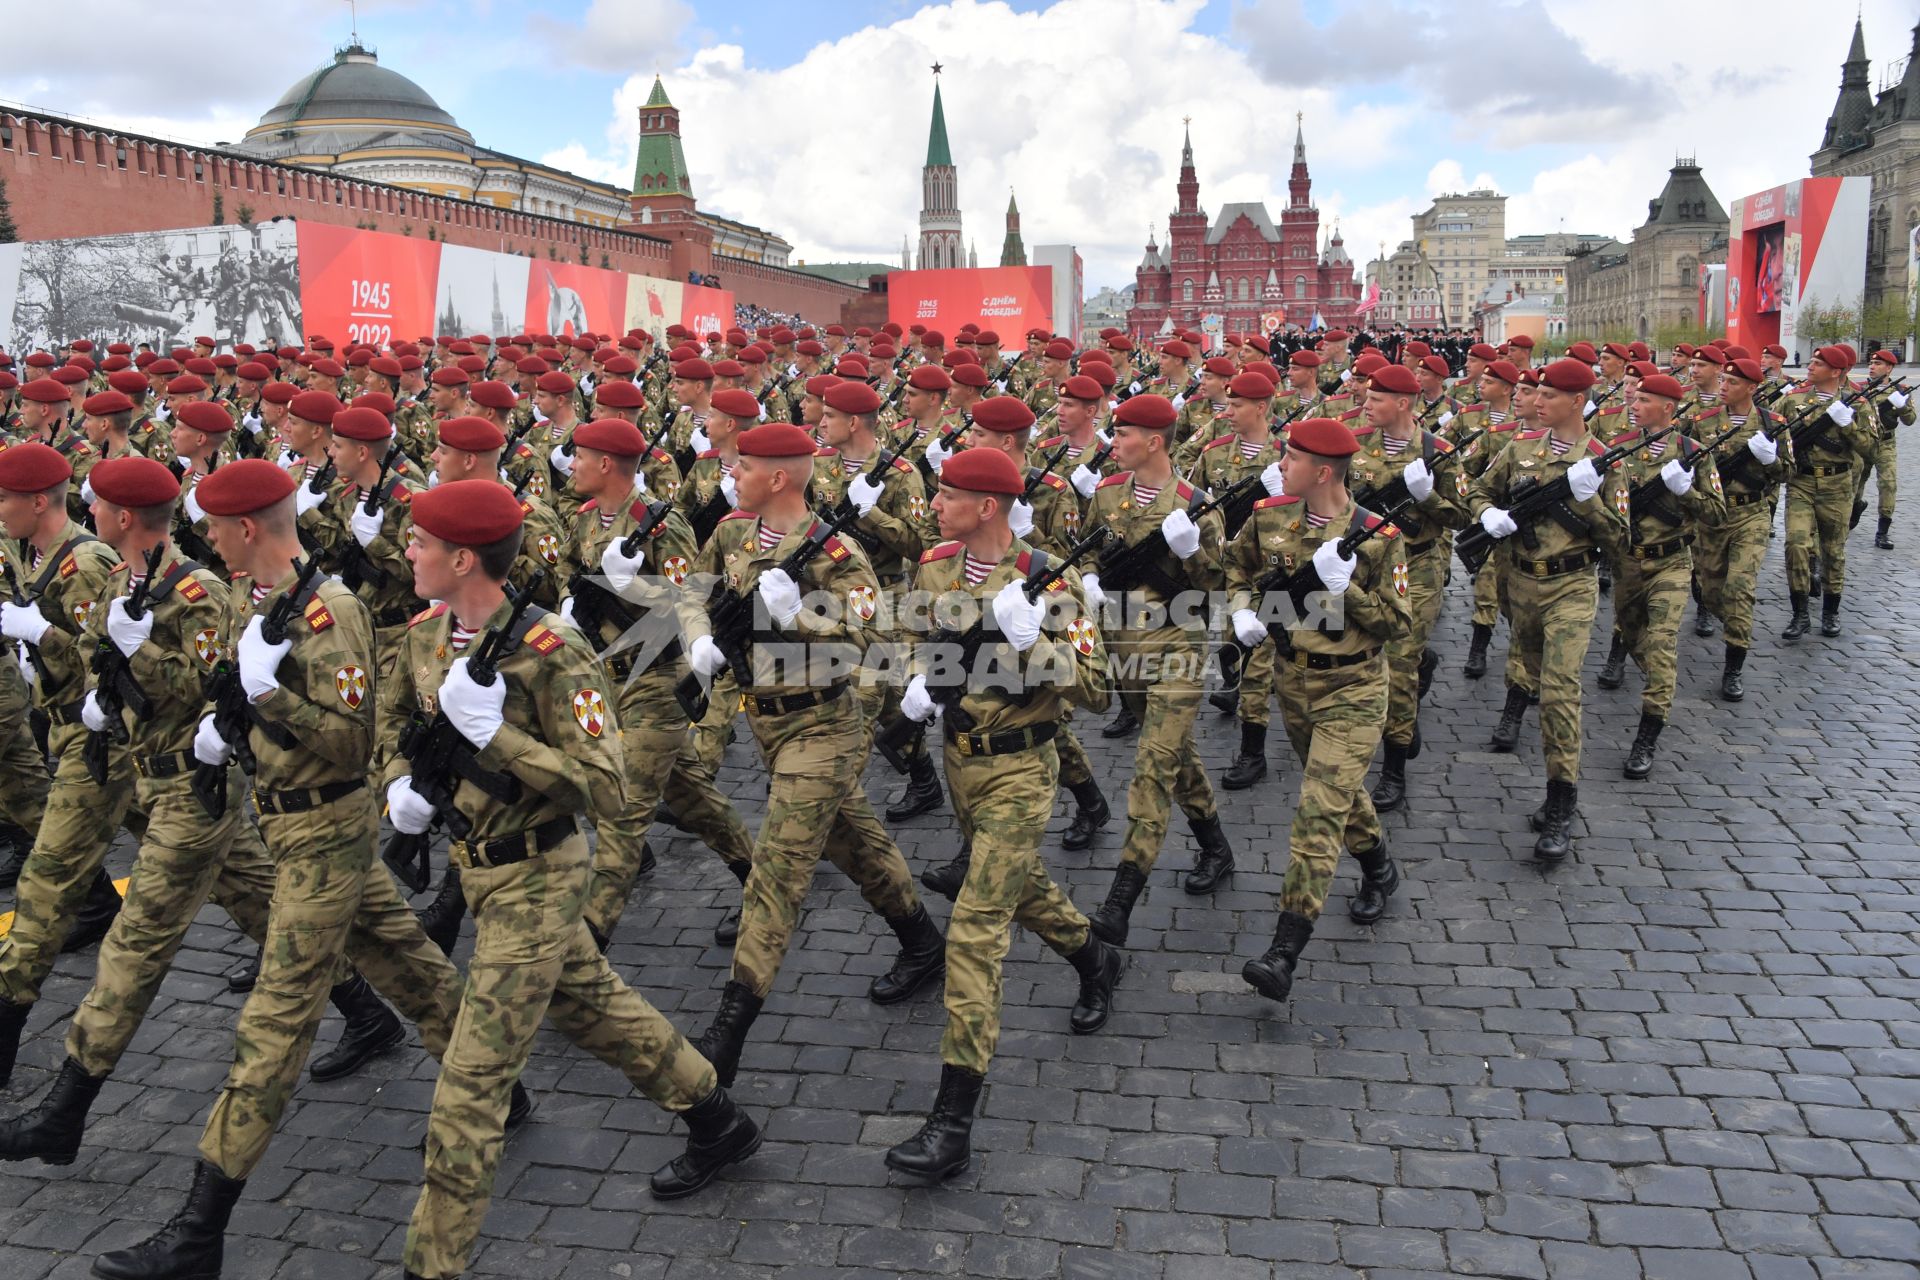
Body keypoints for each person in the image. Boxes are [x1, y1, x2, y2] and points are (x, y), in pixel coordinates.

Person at [95, 460, 472, 1280]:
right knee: (404, 959)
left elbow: (350, 741)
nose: (209, 538)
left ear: (249, 529)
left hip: (327, 831)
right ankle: (493, 1085)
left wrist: (268, 701)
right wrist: (222, 721)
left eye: (220, 527)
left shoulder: (326, 611)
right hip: (289, 829)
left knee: (271, 1026)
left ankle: (200, 1229)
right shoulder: (264, 604)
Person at [380, 479, 758, 1278]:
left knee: (470, 1088)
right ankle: (716, 1118)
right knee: (593, 1006)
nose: (405, 552)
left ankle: (430, 1263)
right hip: (475, 867)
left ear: (461, 558)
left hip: (541, 874)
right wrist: (398, 786)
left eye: (419, 542)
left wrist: (498, 740)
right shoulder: (421, 636)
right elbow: (394, 726)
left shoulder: (553, 650)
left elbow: (609, 789)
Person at [883, 446, 1122, 1182]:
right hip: (962, 765)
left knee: (977, 928)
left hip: (1022, 767)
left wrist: (1035, 640)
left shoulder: (1054, 580)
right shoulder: (935, 570)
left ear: (986, 507)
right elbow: (921, 642)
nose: (934, 503)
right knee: (1019, 888)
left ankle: (952, 1121)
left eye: (948, 495)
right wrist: (918, 685)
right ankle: (1094, 955)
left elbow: (1099, 690)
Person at [685, 423, 946, 1088]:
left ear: (777, 478)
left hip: (825, 726)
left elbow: (879, 645)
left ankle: (727, 1032)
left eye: (742, 465)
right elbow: (693, 589)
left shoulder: (835, 554)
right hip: (766, 723)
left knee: (777, 872)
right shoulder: (735, 533)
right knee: (852, 839)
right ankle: (922, 942)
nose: (731, 473)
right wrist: (699, 639)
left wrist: (801, 616)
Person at [1229, 417, 1410, 1002]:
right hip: (1293, 684)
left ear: (1323, 471)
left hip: (1354, 688)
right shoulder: (1270, 516)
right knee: (1339, 792)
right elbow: (1236, 567)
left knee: (1317, 811)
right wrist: (1243, 610)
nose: (1281, 465)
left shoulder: (1378, 536)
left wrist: (1346, 587)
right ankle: (1379, 863)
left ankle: (1285, 949)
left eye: (1292, 458)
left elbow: (1396, 624)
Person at [557, 417, 755, 948]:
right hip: (608, 679)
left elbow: (695, 603)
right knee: (693, 800)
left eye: (579, 456)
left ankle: (586, 944)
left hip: (659, 678)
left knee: (625, 808)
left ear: (605, 464)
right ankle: (763, 885)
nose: (570, 464)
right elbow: (572, 580)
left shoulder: (660, 525)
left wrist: (635, 586)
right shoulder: (584, 520)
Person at [1078, 395, 1233, 945]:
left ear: (1155, 442)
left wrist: (1192, 553)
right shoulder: (1108, 493)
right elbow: (1089, 551)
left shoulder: (1195, 504)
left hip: (1177, 643)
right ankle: (1215, 844)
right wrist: (1090, 579)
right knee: (1174, 752)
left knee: (1152, 766)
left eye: (1122, 435)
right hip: (1124, 644)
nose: (1112, 443)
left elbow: (1218, 585)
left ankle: (1123, 893)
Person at [1466, 359, 1626, 862]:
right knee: (1526, 674)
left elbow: (1621, 542)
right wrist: (1487, 514)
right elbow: (1476, 489)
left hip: (1571, 587)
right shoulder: (1519, 449)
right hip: (1520, 587)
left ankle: (1561, 802)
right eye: (1538, 393)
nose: (1538, 401)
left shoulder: (1604, 461)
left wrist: (1590, 503)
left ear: (1577, 402)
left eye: (1550, 395)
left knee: (1559, 693)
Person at [1594, 374, 1725, 778]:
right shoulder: (1616, 450)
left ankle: (1646, 736)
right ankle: (1657, 685)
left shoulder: (1693, 453)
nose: (1634, 404)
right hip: (1627, 563)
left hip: (1671, 563)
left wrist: (1685, 491)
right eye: (1636, 398)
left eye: (1645, 399)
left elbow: (1717, 514)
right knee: (1633, 638)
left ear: (1668, 407)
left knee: (1662, 644)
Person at [1695, 359, 1790, 701]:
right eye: (1723, 379)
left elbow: (1788, 472)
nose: (1723, 385)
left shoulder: (1772, 424)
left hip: (1751, 514)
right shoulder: (1702, 423)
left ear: (1752, 387)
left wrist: (1770, 460)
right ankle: (1733, 622)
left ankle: (1733, 666)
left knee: (1739, 588)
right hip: (1712, 519)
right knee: (1710, 592)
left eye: (1732, 382)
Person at [1779, 346, 1876, 639]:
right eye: (1811, 361)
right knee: (1796, 544)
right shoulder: (1792, 400)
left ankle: (1830, 612)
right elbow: (1771, 435)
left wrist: (1848, 425)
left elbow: (1871, 448)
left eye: (1818, 363)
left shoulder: (1857, 404)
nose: (1810, 366)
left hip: (1837, 486)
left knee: (1833, 551)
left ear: (1836, 371)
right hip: (1801, 483)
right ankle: (1800, 613)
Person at [1854, 349, 1911, 549]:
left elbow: (1910, 420)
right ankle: (1855, 507)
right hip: (1862, 443)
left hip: (1885, 443)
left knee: (1888, 484)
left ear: (1889, 368)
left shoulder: (1900, 390)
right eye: (1871, 362)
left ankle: (1882, 531)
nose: (1872, 366)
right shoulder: (1858, 389)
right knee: (1856, 482)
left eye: (1877, 364)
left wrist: (1902, 406)